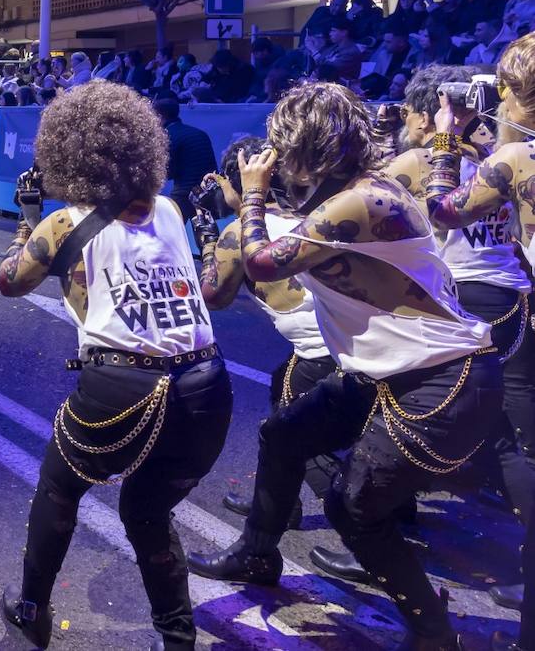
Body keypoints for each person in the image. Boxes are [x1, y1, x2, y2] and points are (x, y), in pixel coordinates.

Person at [187, 82, 499, 651]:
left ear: (304, 149)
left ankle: (434, 632)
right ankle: (258, 554)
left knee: (352, 507)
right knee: (283, 435)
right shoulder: (342, 194)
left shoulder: (361, 201)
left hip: (443, 379)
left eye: (282, 150)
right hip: (388, 375)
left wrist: (250, 197)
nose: (274, 162)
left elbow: (259, 262)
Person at [0, 81, 231, 651]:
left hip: (122, 384)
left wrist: (27, 219)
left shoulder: (65, 223)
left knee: (58, 486)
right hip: (206, 384)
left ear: (69, 154)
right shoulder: (171, 210)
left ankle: (32, 609)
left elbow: (10, 281)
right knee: (146, 507)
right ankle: (177, 637)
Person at [422, 33, 535, 649]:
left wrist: (444, 133)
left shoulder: (515, 160)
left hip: (496, 302)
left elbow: (443, 209)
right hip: (518, 298)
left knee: (520, 444)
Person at [195, 137, 342, 533]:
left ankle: (356, 515)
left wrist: (209, 241)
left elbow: (214, 295)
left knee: (289, 435)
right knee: (282, 387)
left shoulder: (239, 233)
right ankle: (279, 499)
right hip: (353, 342)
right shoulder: (314, 212)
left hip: (321, 352)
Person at [153, 96, 216, 222]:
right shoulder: (199, 133)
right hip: (209, 195)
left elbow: (168, 172)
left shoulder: (167, 136)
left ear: (159, 116)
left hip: (183, 197)